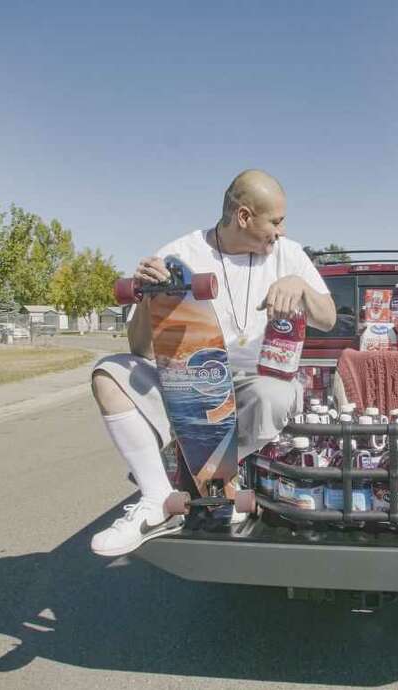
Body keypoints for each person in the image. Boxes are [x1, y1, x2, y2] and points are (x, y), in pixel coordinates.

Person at [90, 170, 336, 556]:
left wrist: (301, 287)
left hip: (256, 381)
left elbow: (328, 318)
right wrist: (147, 299)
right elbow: (141, 350)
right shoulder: (180, 255)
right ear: (243, 216)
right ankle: (158, 499)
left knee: (274, 393)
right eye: (275, 221)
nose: (282, 231)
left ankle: (210, 475)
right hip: (188, 384)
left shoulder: (288, 254)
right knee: (109, 374)